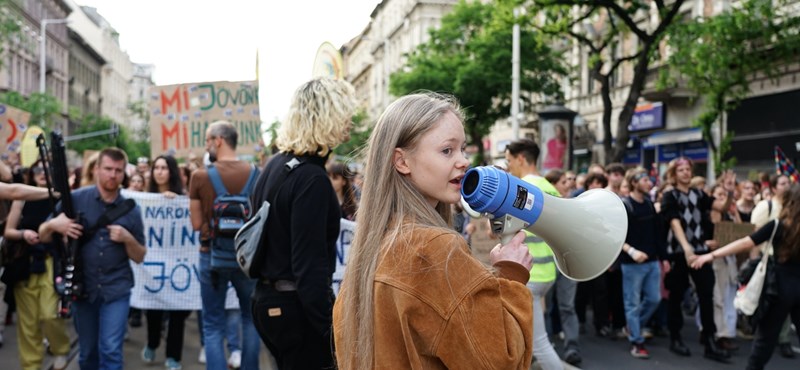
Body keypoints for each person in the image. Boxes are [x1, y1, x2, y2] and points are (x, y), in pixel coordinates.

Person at [334, 93, 534, 369]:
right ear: (401, 161)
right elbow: (501, 360)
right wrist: (511, 275)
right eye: (447, 150)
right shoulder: (434, 248)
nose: (463, 161)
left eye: (463, 149)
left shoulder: (371, 246)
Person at [248, 78, 356, 369]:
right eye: (344, 113)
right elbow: (309, 270)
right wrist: (335, 335)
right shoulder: (312, 179)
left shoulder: (275, 165)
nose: (350, 123)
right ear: (326, 116)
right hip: (295, 309)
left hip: (267, 302)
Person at [38, 147, 147, 370]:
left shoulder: (131, 210)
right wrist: (53, 224)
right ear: (96, 169)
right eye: (108, 169)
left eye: (118, 170)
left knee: (111, 350)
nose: (112, 175)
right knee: (87, 353)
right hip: (83, 288)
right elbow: (42, 234)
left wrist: (127, 239)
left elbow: (139, 256)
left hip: (116, 289)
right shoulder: (75, 200)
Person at [691, 183, 800, 370]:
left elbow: (745, 242)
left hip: (779, 287)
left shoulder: (778, 226)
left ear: (789, 203)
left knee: (765, 341)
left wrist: (711, 255)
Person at [189, 121, 261, 370]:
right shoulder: (256, 173)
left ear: (218, 140)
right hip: (247, 260)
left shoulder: (199, 176)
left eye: (208, 140)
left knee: (212, 324)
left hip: (211, 256)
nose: (207, 145)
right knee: (250, 320)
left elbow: (197, 224)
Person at [660, 156, 730, 362]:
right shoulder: (669, 196)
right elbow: (674, 223)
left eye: (688, 169)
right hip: (679, 252)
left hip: (700, 252)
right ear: (674, 174)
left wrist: (730, 191)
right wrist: (686, 248)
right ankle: (675, 338)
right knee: (677, 295)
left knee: (706, 295)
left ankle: (709, 341)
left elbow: (722, 207)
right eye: (681, 170)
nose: (686, 173)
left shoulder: (699, 194)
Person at [3, 161, 70, 370]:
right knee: (28, 322)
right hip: (25, 264)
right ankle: (31, 365)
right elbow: (9, 230)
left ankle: (60, 349)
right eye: (39, 170)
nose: (43, 173)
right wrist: (24, 234)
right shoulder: (21, 199)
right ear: (32, 174)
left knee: (50, 314)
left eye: (48, 170)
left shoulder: (61, 199)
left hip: (51, 263)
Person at [505, 138, 564, 370]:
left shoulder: (524, 189)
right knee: (526, 339)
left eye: (509, 161)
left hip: (530, 275)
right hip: (548, 273)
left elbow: (507, 231)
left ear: (521, 158)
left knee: (538, 343)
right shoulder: (551, 187)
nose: (508, 167)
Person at [140, 155, 191, 370]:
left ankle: (173, 356)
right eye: (156, 168)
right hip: (153, 265)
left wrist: (177, 201)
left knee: (178, 313)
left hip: (178, 264)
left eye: (164, 167)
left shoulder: (183, 199)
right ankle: (152, 342)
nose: (159, 172)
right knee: (153, 309)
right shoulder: (143, 199)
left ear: (171, 171)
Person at [620, 167, 668, 359]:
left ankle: (632, 327)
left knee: (654, 299)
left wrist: (663, 258)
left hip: (652, 262)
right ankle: (637, 342)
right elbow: (615, 235)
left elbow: (658, 235)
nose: (649, 183)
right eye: (645, 179)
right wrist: (632, 251)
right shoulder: (625, 205)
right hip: (631, 264)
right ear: (634, 182)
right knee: (632, 303)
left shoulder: (649, 204)